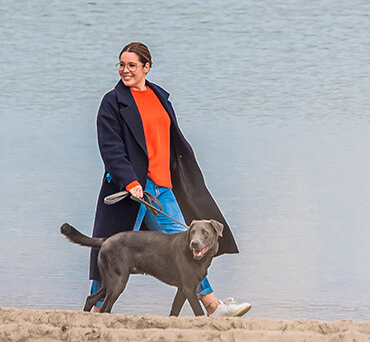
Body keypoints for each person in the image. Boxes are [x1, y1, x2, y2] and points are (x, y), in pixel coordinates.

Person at [88, 42, 251, 317]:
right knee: (113, 248)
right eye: (121, 64)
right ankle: (97, 306)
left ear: (146, 67)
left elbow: (167, 140)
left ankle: (212, 305)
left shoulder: (159, 97)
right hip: (131, 189)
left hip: (162, 187)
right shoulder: (112, 102)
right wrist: (129, 181)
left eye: (131, 65)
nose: (124, 70)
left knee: (189, 246)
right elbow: (110, 147)